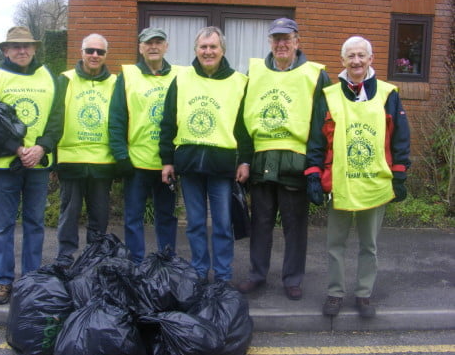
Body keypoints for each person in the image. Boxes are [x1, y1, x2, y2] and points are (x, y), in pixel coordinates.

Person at [304, 36, 411, 317]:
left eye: (361, 55)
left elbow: (400, 136)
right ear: (342, 61)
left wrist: (400, 174)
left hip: (375, 184)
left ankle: (364, 294)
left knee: (369, 246)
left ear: (370, 59)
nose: (356, 61)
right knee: (334, 245)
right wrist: (313, 175)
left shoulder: (389, 94)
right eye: (350, 56)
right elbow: (316, 139)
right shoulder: (329, 95)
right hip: (339, 183)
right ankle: (335, 293)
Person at [237, 18, 331, 300]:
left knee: (295, 225)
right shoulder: (253, 73)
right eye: (276, 39)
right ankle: (257, 274)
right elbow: (241, 121)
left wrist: (315, 166)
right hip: (261, 161)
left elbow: (321, 125)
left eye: (286, 38)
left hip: (296, 163)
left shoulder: (315, 75)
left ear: (297, 41)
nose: (281, 44)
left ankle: (293, 279)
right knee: (260, 223)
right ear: (269, 42)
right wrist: (243, 159)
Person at [0, 26, 58, 304]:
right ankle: (2, 281)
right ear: (6, 50)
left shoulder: (49, 77)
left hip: (38, 163)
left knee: (35, 224)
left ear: (34, 49)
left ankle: (31, 279)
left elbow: (58, 118)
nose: (22, 51)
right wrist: (16, 148)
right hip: (5, 163)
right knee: (4, 226)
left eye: (27, 46)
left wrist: (41, 147)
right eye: (15, 46)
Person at [159, 26, 251, 283]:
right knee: (195, 224)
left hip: (223, 166)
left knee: (222, 225)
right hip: (188, 164)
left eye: (213, 47)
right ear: (196, 50)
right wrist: (167, 160)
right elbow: (168, 122)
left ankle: (222, 275)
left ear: (222, 50)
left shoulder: (239, 82)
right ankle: (199, 271)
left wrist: (245, 159)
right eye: (203, 47)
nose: (208, 52)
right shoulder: (182, 79)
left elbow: (244, 127)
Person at [109, 28, 180, 264]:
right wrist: (121, 156)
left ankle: (167, 263)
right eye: (148, 43)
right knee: (133, 218)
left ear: (166, 47)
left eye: (158, 42)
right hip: (136, 162)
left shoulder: (179, 76)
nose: (153, 47)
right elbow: (117, 117)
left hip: (166, 163)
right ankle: (136, 264)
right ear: (140, 47)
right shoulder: (128, 76)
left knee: (167, 216)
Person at [53, 34, 117, 267]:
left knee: (99, 215)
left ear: (105, 55)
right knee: (69, 214)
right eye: (90, 50)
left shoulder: (115, 82)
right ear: (81, 52)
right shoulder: (65, 80)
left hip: (103, 160)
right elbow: (55, 117)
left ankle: (95, 258)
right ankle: (64, 258)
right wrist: (53, 156)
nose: (94, 55)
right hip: (71, 159)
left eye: (100, 52)